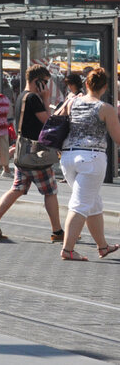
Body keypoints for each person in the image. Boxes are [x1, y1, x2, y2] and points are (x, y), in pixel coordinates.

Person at [0, 65, 63, 243]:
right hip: (36, 154)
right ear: (38, 81)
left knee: (17, 189)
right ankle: (57, 231)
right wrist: (46, 98)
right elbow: (47, 123)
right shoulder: (34, 98)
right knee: (50, 191)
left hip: (22, 152)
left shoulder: (22, 96)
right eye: (46, 83)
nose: (47, 87)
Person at [58, 68, 120, 261]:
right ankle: (67, 249)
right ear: (105, 87)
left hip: (67, 158)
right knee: (80, 204)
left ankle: (103, 247)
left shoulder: (73, 101)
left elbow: (57, 117)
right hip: (91, 159)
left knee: (92, 202)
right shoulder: (105, 108)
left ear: (86, 84)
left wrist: (69, 100)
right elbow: (117, 137)